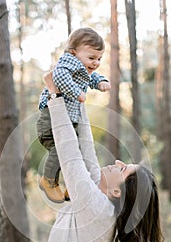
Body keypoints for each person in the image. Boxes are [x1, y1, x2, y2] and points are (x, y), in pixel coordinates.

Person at [36, 72, 164, 242]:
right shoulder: (101, 202)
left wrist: (56, 97)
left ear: (118, 191)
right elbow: (85, 149)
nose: (116, 161)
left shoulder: (95, 208)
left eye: (122, 169)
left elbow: (71, 156)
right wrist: (76, 97)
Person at [37, 27, 111, 203]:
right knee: (60, 150)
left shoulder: (81, 68)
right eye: (92, 58)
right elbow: (59, 77)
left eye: (99, 58)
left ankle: (75, 184)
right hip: (50, 120)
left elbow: (90, 77)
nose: (96, 63)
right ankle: (48, 180)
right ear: (73, 52)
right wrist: (76, 92)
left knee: (75, 152)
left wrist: (100, 81)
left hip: (68, 120)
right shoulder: (67, 63)